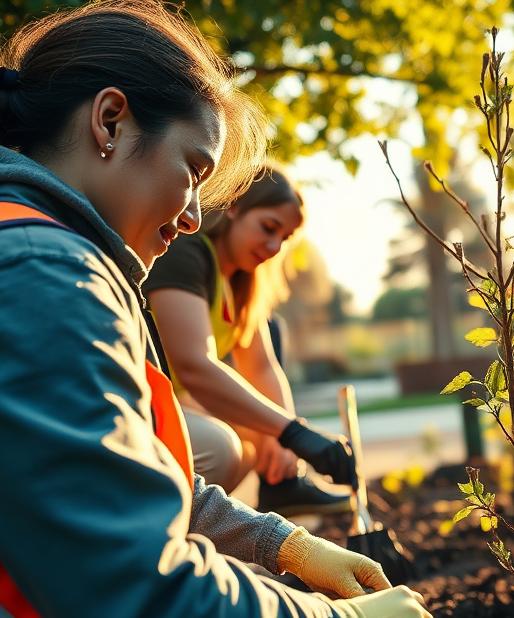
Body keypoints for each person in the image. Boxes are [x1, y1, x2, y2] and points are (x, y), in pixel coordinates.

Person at [0, 0, 438, 618]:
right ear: (110, 122)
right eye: (193, 170)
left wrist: (281, 545)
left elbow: (104, 469)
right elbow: (136, 599)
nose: (194, 216)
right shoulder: (41, 274)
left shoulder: (11, 238)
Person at [145, 162, 356, 516]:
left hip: (170, 404)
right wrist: (293, 432)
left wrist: (287, 447)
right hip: (132, 402)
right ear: (234, 206)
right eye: (269, 227)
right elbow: (195, 366)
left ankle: (279, 493)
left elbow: (261, 367)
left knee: (260, 442)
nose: (274, 246)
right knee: (221, 447)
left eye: (285, 238)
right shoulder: (185, 250)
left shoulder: (241, 283)